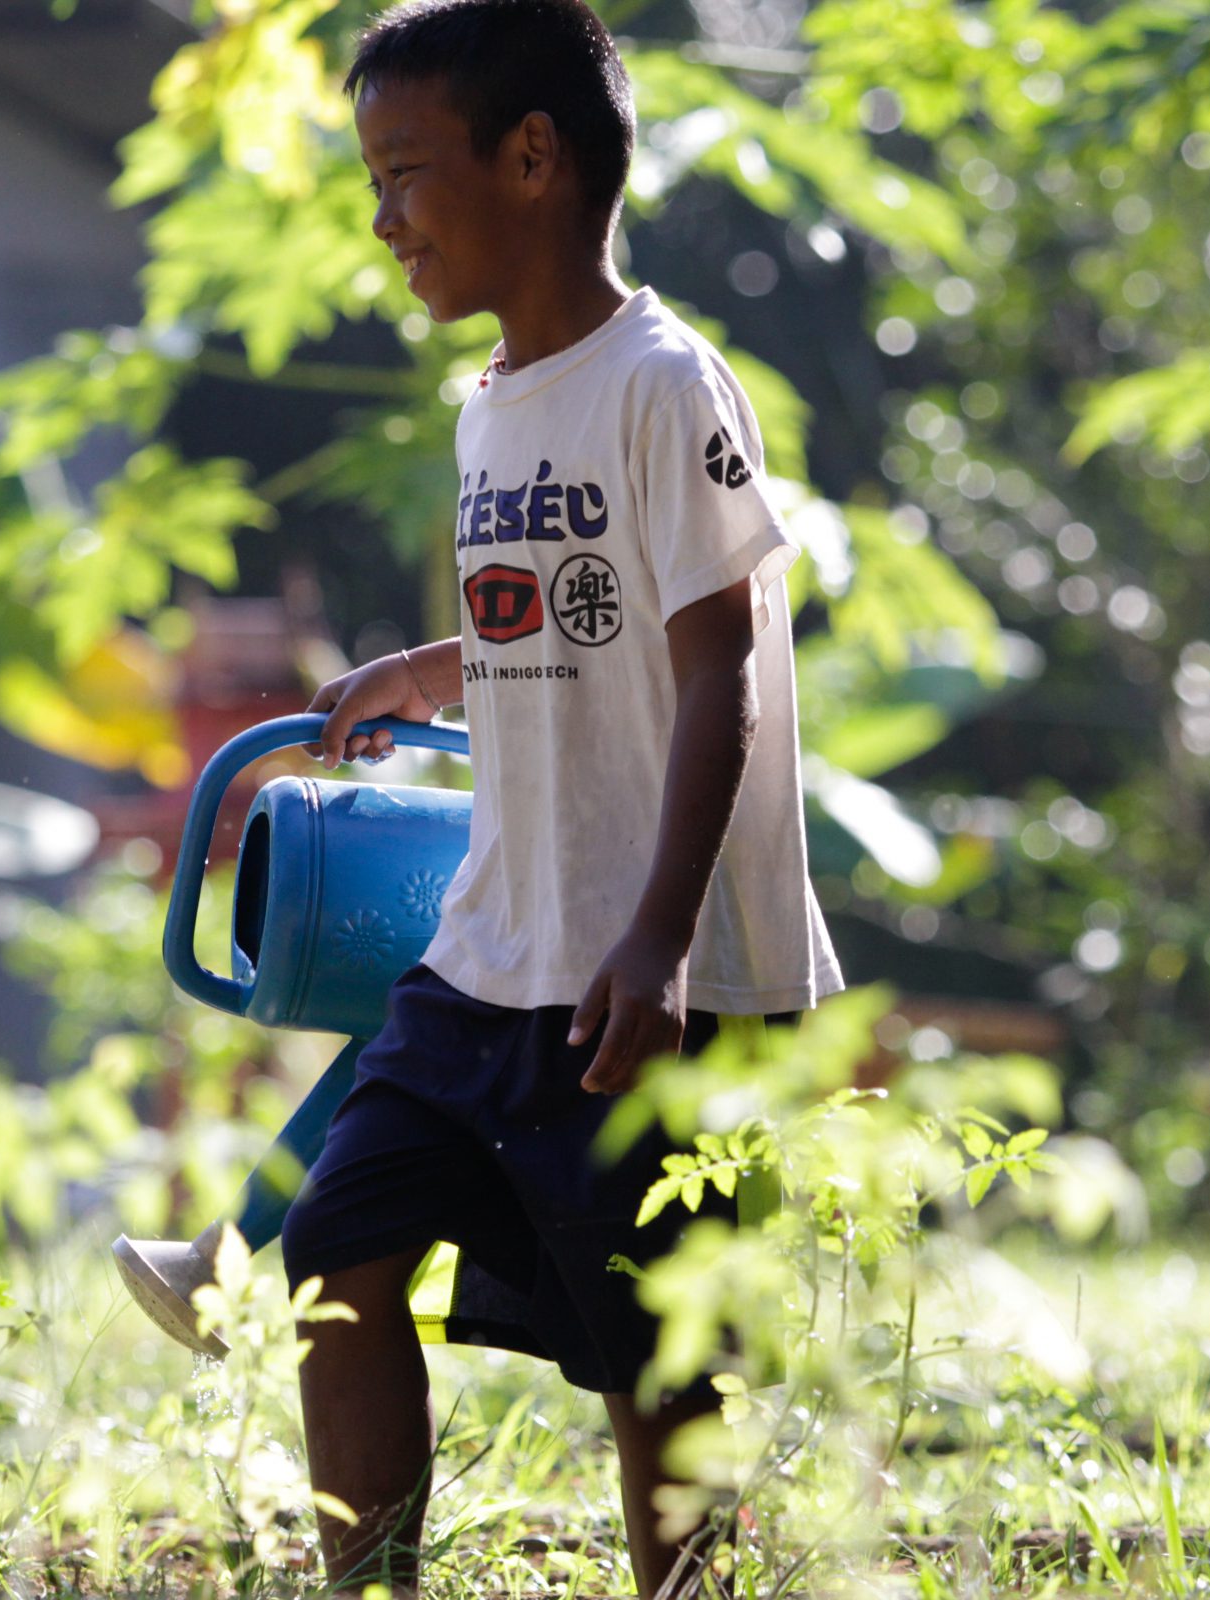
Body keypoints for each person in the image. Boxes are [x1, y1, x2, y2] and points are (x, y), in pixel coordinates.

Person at [279, 2, 844, 1592]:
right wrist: (427, 668)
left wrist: (659, 940)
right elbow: (573, 606)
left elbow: (715, 655)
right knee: (336, 1248)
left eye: (402, 174)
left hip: (651, 966)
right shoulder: (489, 404)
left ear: (532, 158)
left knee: (650, 1356)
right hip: (494, 948)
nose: (381, 217)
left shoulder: (666, 383)